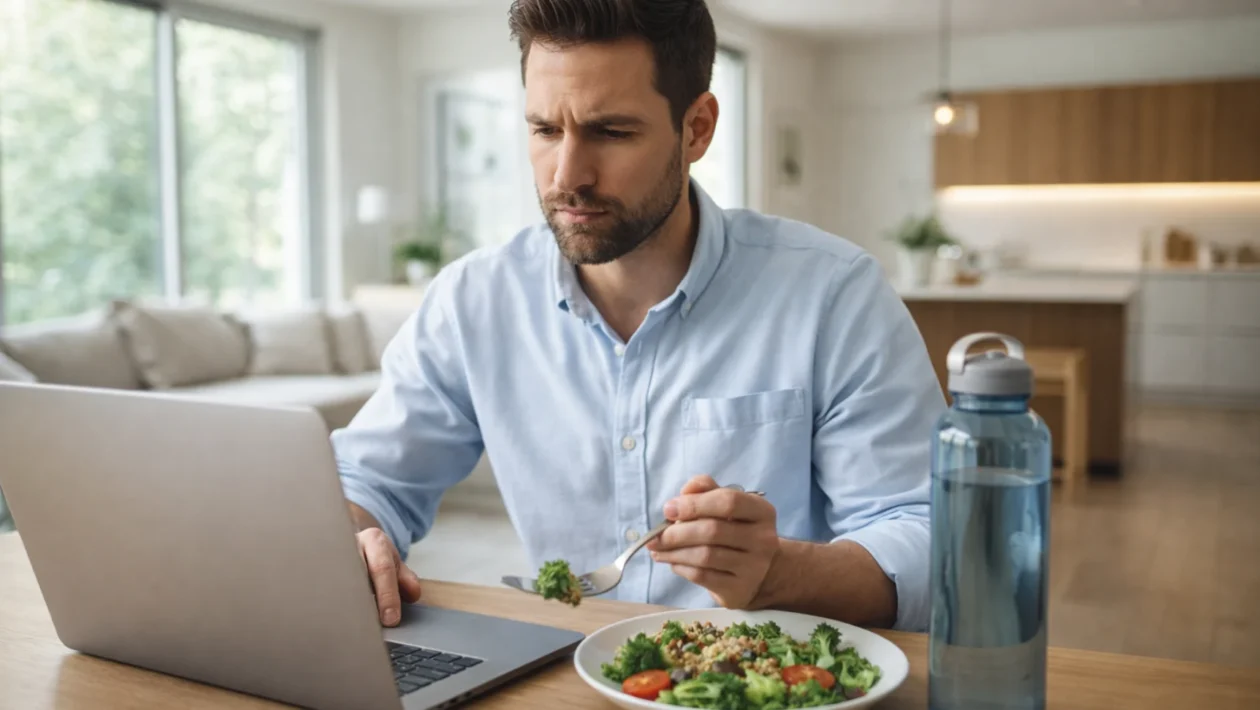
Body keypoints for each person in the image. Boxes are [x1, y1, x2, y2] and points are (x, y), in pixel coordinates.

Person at [333, 0, 945, 634]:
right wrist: (352, 537)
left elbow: (929, 541)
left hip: (768, 681)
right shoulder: (472, 302)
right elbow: (366, 480)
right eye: (545, 130)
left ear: (697, 129)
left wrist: (782, 573)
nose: (567, 176)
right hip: (565, 672)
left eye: (610, 132)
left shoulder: (832, 294)